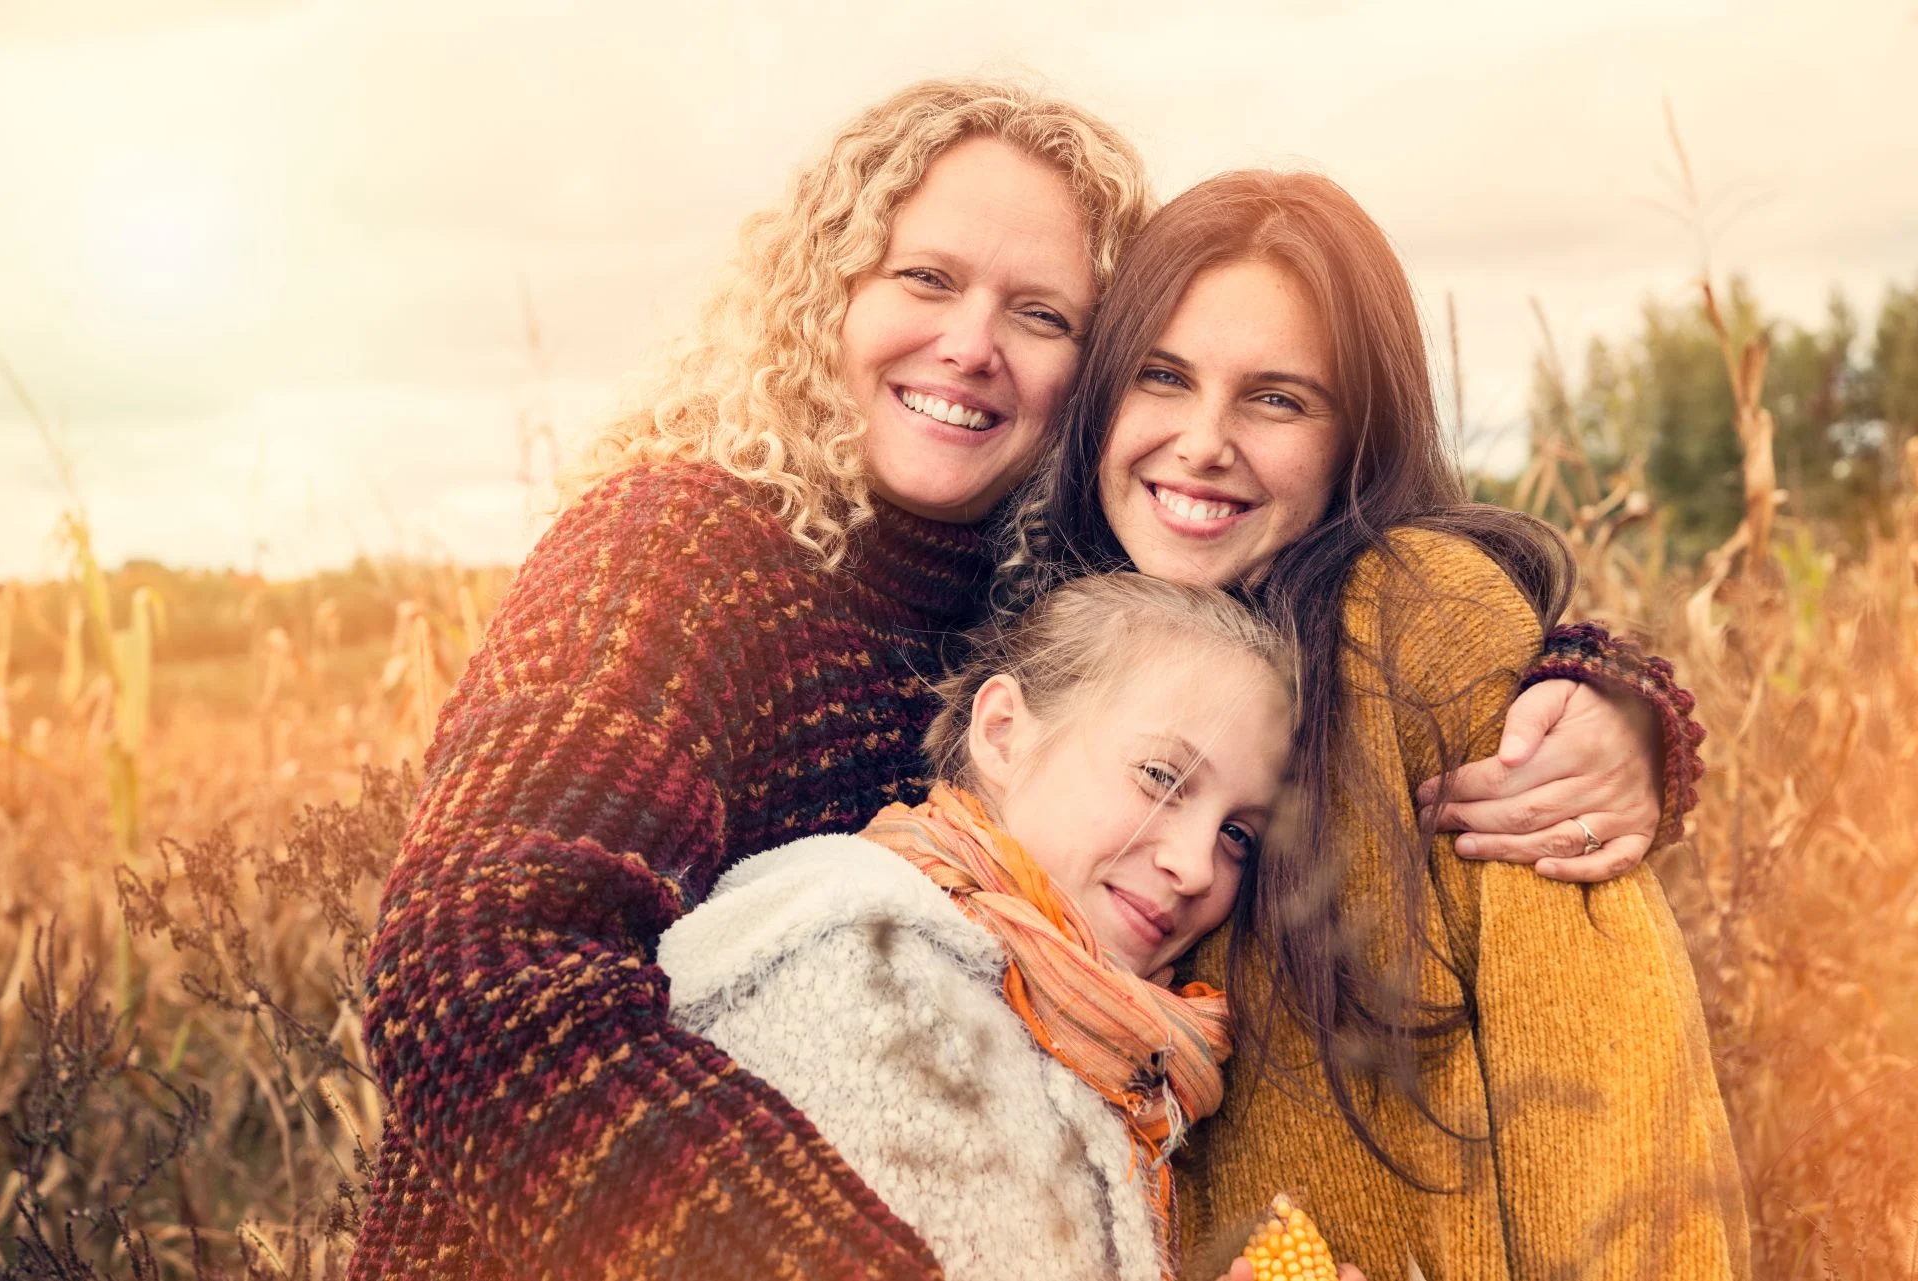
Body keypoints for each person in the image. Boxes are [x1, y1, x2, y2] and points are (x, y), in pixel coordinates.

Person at [347, 80, 1699, 1280]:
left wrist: (1602, 695)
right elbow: (477, 977)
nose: (972, 345)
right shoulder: (674, 555)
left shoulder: (1055, 599)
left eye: (1040, 312)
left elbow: (1326, 615)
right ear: (828, 293)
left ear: (1088, 375)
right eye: (924, 280)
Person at [1000, 169, 1746, 1279]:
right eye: (1164, 377)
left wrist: (1621, 707)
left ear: (1360, 434)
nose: (1204, 441)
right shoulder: (1059, 636)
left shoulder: (1412, 625)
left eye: (1277, 398)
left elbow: (1604, 1067)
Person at [658, 572, 1346, 1281]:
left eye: (1237, 832)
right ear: (1004, 734)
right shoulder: (859, 971)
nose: (1197, 867)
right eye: (1160, 777)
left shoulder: (1097, 1046)